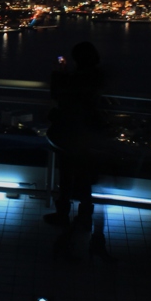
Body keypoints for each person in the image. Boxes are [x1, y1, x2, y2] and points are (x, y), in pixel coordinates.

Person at [44, 42, 111, 260]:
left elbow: (59, 95)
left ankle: (63, 213)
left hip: (70, 131)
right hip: (89, 133)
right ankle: (84, 216)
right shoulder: (97, 77)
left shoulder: (76, 78)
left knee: (67, 172)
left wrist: (58, 73)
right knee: (85, 174)